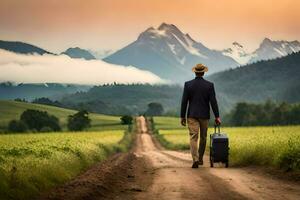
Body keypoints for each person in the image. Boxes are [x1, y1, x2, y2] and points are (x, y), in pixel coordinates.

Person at [180, 63, 221, 168]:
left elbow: (184, 102)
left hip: (192, 115)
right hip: (204, 115)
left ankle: (195, 159)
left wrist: (182, 116)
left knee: (193, 137)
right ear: (203, 72)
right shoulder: (209, 85)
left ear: (195, 72)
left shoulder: (188, 84)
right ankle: (200, 158)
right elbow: (213, 102)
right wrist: (217, 116)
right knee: (203, 138)